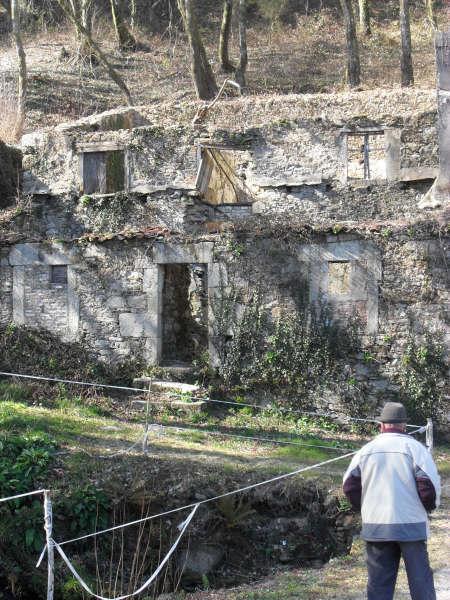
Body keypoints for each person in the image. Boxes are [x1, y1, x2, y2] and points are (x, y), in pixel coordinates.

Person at [343, 402, 441, 600]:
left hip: (376, 524)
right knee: (420, 581)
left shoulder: (366, 451)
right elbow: (428, 487)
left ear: (381, 425)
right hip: (411, 524)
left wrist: (365, 508)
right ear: (404, 425)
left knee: (379, 585)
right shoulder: (416, 449)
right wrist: (428, 509)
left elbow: (349, 486)